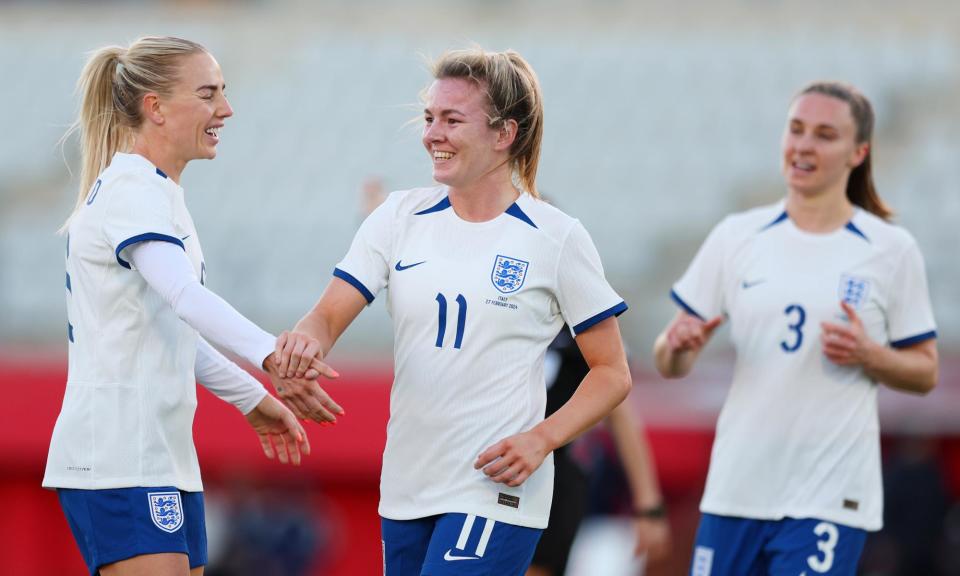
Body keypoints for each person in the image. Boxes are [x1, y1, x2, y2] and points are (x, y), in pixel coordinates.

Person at [274, 47, 632, 575]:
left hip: (496, 490)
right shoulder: (398, 217)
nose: (431, 134)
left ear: (504, 134)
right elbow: (325, 318)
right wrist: (303, 346)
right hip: (407, 485)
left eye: (451, 119)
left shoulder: (556, 237)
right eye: (428, 118)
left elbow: (612, 372)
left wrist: (543, 438)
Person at [43, 36, 338, 576]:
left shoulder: (157, 192)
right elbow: (186, 298)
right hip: (117, 456)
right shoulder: (132, 190)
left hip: (162, 457)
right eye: (208, 94)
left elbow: (172, 330)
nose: (225, 109)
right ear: (154, 106)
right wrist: (273, 357)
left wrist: (251, 396)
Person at [653, 81, 939, 575]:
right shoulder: (737, 236)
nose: (804, 145)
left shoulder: (889, 249)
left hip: (828, 494)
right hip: (737, 489)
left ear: (858, 152)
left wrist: (873, 356)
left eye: (825, 134)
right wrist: (680, 345)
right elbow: (668, 361)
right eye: (796, 130)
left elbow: (925, 371)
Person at [527, 328, 670, 576]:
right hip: (482, 471)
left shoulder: (583, 326)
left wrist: (648, 505)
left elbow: (621, 416)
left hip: (548, 482)